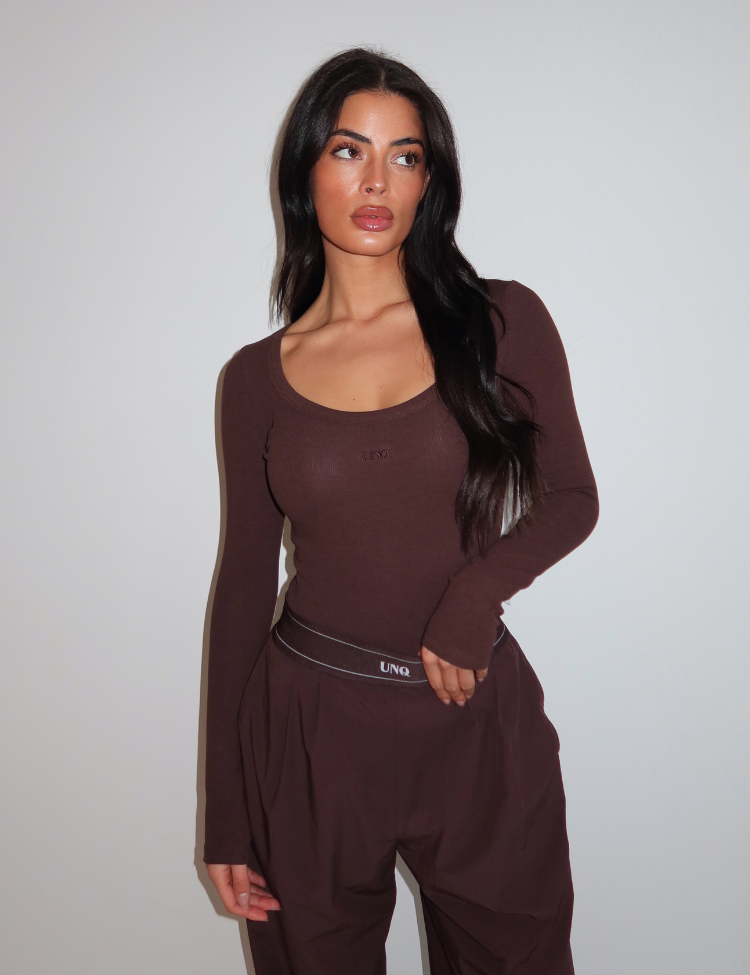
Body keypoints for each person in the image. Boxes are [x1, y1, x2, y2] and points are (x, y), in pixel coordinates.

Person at [202, 47, 598, 975]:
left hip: (474, 720)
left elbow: (573, 498)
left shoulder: (501, 322)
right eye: (349, 150)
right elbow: (244, 586)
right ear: (305, 172)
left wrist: (474, 594)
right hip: (311, 734)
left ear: (430, 182)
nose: (377, 180)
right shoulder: (254, 379)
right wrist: (225, 811)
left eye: (405, 155)